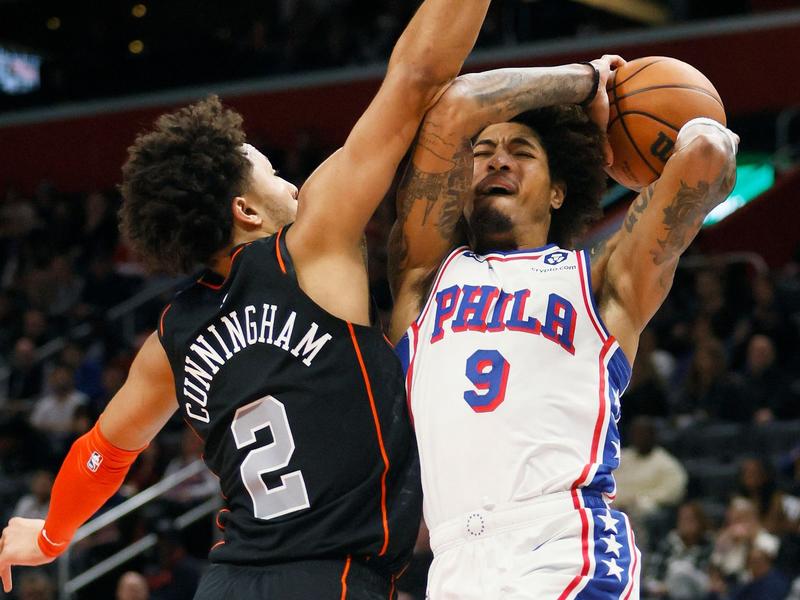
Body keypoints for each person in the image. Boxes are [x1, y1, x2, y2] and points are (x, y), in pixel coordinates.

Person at [0, 1, 492, 598]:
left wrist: (50, 536)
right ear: (247, 210)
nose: (293, 184)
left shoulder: (171, 341)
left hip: (228, 581)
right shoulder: (311, 244)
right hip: (331, 578)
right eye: (273, 173)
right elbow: (416, 76)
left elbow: (101, 454)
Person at [388, 55, 738, 597]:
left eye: (521, 152)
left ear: (558, 192)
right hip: (453, 562)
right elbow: (454, 108)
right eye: (483, 152)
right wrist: (584, 82)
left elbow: (709, 149)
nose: (498, 160)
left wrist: (609, 121)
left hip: (563, 547)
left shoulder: (600, 281)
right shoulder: (422, 278)